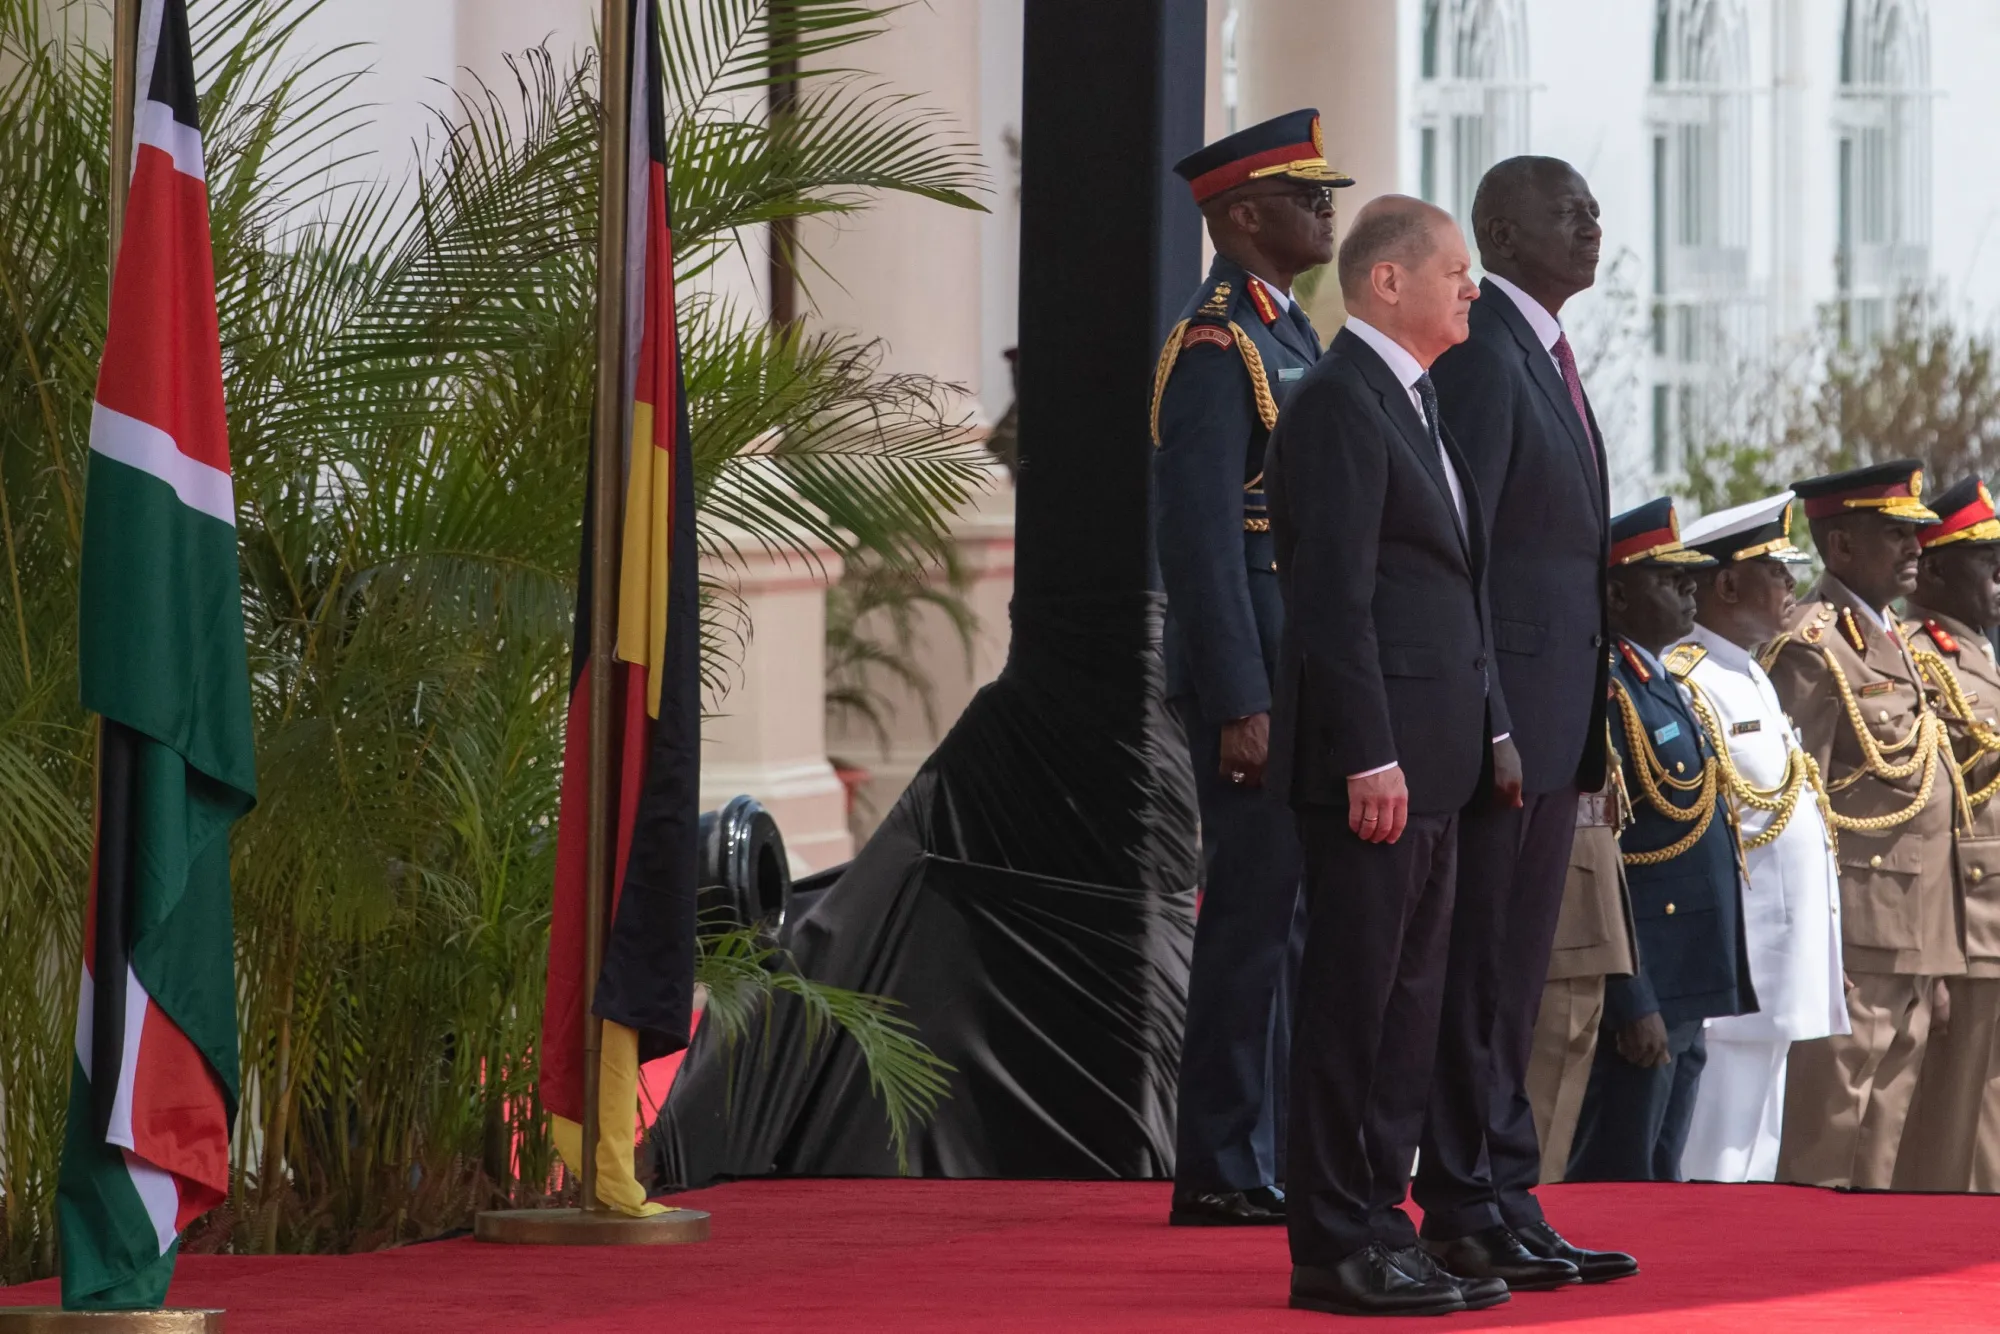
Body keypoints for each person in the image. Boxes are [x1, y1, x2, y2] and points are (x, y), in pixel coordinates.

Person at [1265, 194, 1520, 1317]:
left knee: (1407, 1007)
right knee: (1353, 1006)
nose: (1470, 288)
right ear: (1385, 284)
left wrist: (1488, 728)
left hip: (1435, 763)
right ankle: (1330, 1240)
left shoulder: (1413, 402)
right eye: (1454, 271)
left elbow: (1451, 591)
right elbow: (1332, 598)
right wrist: (1367, 750)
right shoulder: (1333, 403)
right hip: (1375, 769)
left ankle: (1383, 1216)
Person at [1415, 154, 1632, 1288]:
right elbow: (1464, 562)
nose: (1591, 224)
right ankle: (1458, 1202)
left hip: (1554, 726)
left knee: (1513, 976)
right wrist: (1491, 719)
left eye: (1592, 208)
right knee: (1477, 972)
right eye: (1567, 209)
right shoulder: (1484, 360)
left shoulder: (1541, 351)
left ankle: (1504, 1190)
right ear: (1501, 229)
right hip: (1498, 729)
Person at [1152, 108, 1351, 1228]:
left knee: (1292, 922)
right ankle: (1223, 1158)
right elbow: (1196, 539)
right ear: (1239, 216)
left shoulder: (1289, 333)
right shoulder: (1216, 344)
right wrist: (1239, 697)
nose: (1325, 208)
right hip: (1255, 678)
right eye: (1302, 193)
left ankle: (1265, 1147)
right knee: (1248, 918)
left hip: (1298, 664)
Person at [1766, 461, 1963, 1190]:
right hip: (1857, 933)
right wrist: (1817, 944)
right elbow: (1797, 808)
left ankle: (1854, 1291)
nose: (1915, 546)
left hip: (1913, 930)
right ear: (1840, 547)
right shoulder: (1813, 646)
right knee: (1830, 1137)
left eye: (1914, 531)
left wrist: (1938, 954)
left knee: (1883, 1142)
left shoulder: (1894, 642)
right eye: (1894, 533)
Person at [1566, 498, 1755, 1183]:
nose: (1688, 590)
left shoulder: (1661, 684)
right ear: (1616, 594)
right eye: (1668, 579)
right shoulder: (1610, 694)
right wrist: (1631, 998)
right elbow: (1601, 861)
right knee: (1618, 1175)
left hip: (1687, 982)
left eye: (1689, 577)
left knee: (1662, 1180)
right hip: (1646, 983)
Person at [1671, 493, 1848, 1182]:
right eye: (1777, 571)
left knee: (1756, 1155)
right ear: (1726, 584)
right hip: (1734, 964)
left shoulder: (1751, 673)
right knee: (1712, 1153)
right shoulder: (1692, 680)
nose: (1792, 588)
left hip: (1781, 960)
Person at [1895, 477, 2000, 1191]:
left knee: (1988, 1116)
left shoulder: (1983, 654)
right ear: (1932, 570)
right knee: (1946, 1122)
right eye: (1985, 559)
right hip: (1964, 920)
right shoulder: (1918, 657)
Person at [1525, 782, 1638, 1183]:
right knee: (1541, 1100)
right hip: (1558, 892)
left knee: (1557, 1112)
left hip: (1590, 889)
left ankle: (1527, 1219)